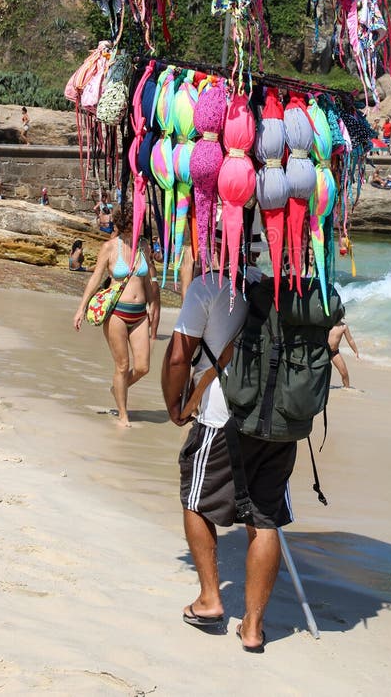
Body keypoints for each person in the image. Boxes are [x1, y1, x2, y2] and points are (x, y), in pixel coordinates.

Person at [161, 238, 294, 654]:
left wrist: (174, 403)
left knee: (196, 501)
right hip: (276, 422)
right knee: (264, 520)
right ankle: (253, 628)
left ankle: (210, 599)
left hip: (222, 417)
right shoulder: (274, 289)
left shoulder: (207, 286)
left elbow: (181, 357)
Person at [73, 204, 159, 427]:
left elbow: (148, 282)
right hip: (117, 315)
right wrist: (81, 308)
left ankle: (117, 388)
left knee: (142, 367)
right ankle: (123, 414)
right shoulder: (110, 247)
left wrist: (152, 307)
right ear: (126, 223)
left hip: (139, 315)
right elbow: (95, 279)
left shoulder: (144, 247)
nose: (141, 225)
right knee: (122, 366)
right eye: (136, 221)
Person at [328, 316, 360, 388]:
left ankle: (347, 388)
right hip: (324, 352)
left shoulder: (344, 327)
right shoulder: (327, 323)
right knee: (322, 372)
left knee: (344, 373)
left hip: (335, 353)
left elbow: (350, 340)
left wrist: (356, 351)